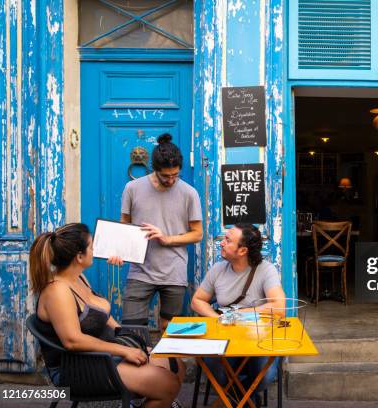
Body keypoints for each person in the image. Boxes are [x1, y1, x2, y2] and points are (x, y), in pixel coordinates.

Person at [29, 223, 185, 408]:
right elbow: (73, 340)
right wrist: (125, 351)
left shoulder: (78, 277)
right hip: (77, 367)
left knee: (177, 365)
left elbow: (99, 314)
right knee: (167, 384)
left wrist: (128, 339)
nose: (94, 250)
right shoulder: (58, 292)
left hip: (102, 355)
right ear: (79, 256)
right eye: (91, 246)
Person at [110, 133, 203, 330]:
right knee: (131, 328)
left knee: (171, 331)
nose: (171, 181)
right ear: (154, 169)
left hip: (174, 272)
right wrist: (119, 252)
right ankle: (140, 359)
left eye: (175, 175)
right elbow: (124, 226)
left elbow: (197, 233)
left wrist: (166, 239)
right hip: (140, 271)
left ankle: (166, 363)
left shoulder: (189, 193)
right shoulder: (132, 188)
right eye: (166, 176)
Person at [191, 223, 285, 406]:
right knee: (213, 367)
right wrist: (217, 318)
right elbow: (197, 301)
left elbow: (279, 307)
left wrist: (236, 314)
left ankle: (235, 397)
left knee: (266, 376)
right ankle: (244, 398)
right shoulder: (218, 269)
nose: (221, 243)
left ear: (242, 251)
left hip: (258, 338)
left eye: (227, 240)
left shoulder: (266, 270)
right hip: (225, 337)